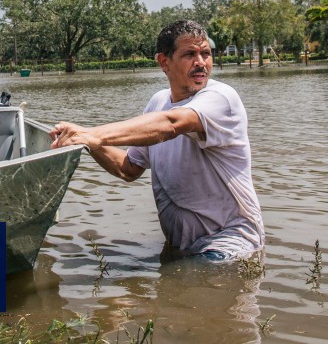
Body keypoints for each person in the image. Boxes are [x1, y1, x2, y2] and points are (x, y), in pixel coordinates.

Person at [50, 19, 265, 261]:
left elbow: (172, 124)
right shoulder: (158, 102)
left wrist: (94, 133)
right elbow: (129, 169)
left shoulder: (220, 97)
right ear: (164, 62)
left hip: (228, 242)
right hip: (181, 246)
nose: (201, 63)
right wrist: (88, 142)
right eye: (190, 54)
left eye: (206, 53)